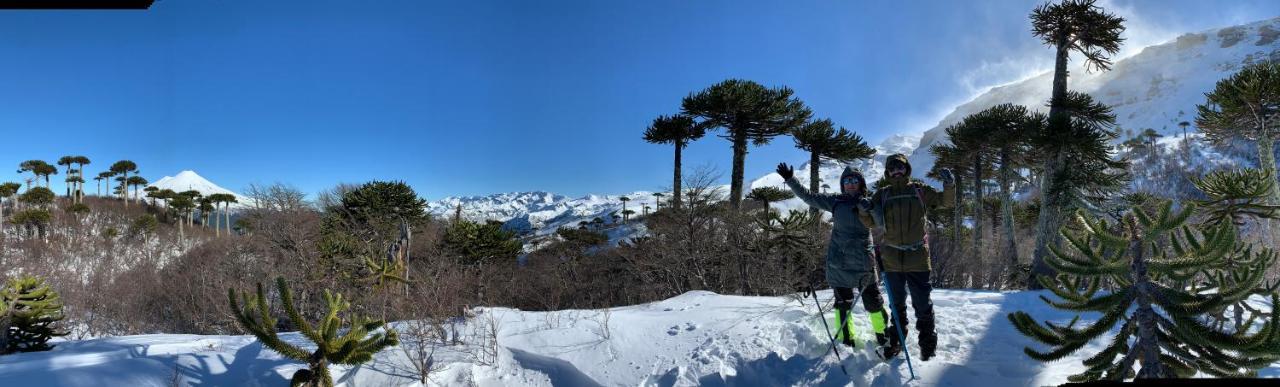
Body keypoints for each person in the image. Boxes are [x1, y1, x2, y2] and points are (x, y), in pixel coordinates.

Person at [776, 162, 891, 352]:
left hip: (864, 261)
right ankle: (847, 339)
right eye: (847, 181)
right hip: (840, 262)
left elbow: (881, 222)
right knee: (842, 304)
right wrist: (790, 180)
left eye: (854, 180)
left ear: (861, 183)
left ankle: (883, 336)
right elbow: (809, 197)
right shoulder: (835, 201)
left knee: (874, 302)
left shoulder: (869, 202)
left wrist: (869, 207)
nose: (850, 184)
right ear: (842, 184)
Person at [867, 154, 954, 361]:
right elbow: (870, 219)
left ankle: (927, 347)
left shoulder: (919, 190)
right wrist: (863, 209)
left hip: (917, 258)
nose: (897, 170)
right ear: (887, 172)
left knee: (922, 304)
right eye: (892, 168)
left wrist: (949, 185)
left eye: (901, 167)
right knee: (897, 306)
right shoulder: (882, 194)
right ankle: (896, 342)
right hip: (892, 259)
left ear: (907, 169)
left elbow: (945, 202)